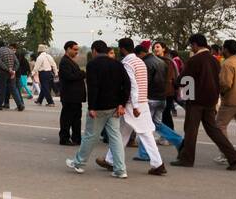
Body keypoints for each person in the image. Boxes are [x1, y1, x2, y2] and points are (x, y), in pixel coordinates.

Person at [170, 34, 236, 169]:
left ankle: (187, 159)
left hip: (196, 99)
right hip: (211, 99)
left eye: (192, 45)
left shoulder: (194, 60)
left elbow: (185, 79)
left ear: (196, 44)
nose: (192, 47)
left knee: (191, 130)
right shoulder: (215, 60)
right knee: (213, 130)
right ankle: (233, 157)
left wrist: (175, 83)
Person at [100, 38, 164, 175]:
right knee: (125, 132)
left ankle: (158, 163)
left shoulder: (127, 63)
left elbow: (132, 85)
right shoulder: (140, 61)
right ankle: (110, 160)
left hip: (132, 104)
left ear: (122, 49)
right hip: (142, 101)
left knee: (143, 134)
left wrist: (133, 106)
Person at [65, 40, 129, 177]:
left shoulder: (92, 65)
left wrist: (92, 107)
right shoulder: (117, 64)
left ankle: (79, 163)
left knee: (90, 136)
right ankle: (120, 170)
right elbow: (127, 85)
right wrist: (122, 104)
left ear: (94, 51)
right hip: (114, 107)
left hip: (99, 107)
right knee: (116, 138)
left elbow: (93, 87)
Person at [57, 40, 85, 145]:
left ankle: (76, 138)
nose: (76, 52)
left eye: (77, 50)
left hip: (75, 96)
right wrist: (82, 74)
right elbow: (69, 77)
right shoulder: (64, 62)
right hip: (69, 96)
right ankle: (64, 138)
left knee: (76, 119)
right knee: (67, 118)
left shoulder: (70, 61)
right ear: (68, 49)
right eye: (75, 49)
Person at [0, 41, 23, 110]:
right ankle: (20, 105)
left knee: (1, 89)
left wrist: (7, 69)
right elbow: (17, 63)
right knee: (14, 89)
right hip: (12, 73)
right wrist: (13, 70)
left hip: (3, 73)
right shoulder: (11, 51)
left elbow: (0, 62)